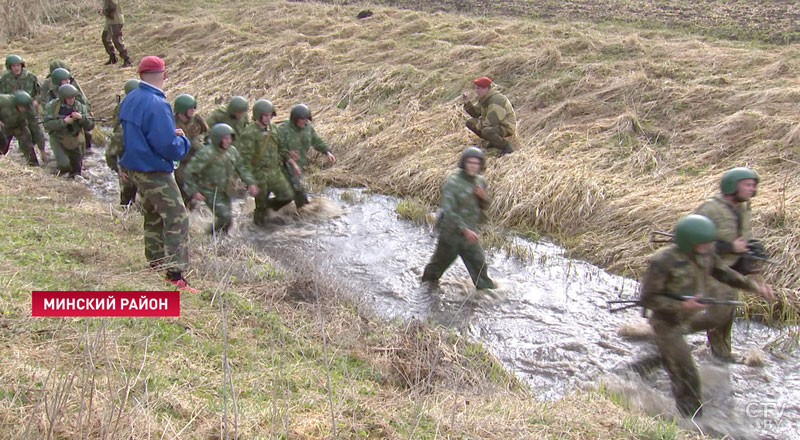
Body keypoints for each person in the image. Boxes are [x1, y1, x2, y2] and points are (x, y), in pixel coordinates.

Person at [639, 214, 774, 417]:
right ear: (689, 243)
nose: (708, 247)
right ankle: (691, 421)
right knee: (687, 373)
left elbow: (725, 274)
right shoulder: (663, 261)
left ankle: (637, 372)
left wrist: (755, 287)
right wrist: (682, 304)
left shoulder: (706, 254)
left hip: (687, 318)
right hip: (665, 323)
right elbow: (648, 299)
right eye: (704, 243)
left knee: (671, 358)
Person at [118, 56, 194, 291]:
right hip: (153, 170)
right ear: (165, 75)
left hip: (134, 168)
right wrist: (182, 141)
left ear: (140, 75)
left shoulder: (130, 98)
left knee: (152, 215)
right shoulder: (157, 103)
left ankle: (154, 263)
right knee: (177, 217)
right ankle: (174, 275)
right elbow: (167, 146)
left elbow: (137, 134)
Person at [692, 167, 762, 362]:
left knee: (729, 311)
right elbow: (689, 239)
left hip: (731, 269)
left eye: (753, 185)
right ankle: (669, 330)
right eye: (747, 185)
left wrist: (750, 247)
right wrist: (729, 246)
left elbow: (742, 235)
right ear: (732, 186)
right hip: (710, 268)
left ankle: (720, 352)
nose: (752, 189)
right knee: (718, 312)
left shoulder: (744, 208)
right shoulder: (710, 209)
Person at [422, 146, 495, 289]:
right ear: (464, 163)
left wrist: (483, 196)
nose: (473, 166)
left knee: (479, 264)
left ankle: (487, 295)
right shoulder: (453, 182)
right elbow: (449, 210)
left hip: (470, 234)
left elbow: (485, 205)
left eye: (476, 163)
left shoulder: (480, 181)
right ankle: (425, 290)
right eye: (470, 163)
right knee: (437, 266)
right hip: (450, 233)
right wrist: (465, 230)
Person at [183, 123, 259, 234]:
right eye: (225, 138)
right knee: (225, 216)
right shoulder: (206, 153)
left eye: (229, 138)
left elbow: (241, 168)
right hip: (208, 190)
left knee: (228, 219)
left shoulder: (232, 151)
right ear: (218, 139)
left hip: (224, 190)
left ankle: (219, 237)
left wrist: (251, 183)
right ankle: (209, 237)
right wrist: (193, 191)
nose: (228, 141)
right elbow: (189, 171)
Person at [238, 99, 296, 225]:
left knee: (288, 196)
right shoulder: (249, 134)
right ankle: (258, 234)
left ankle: (267, 209)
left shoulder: (273, 129)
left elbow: (280, 148)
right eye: (265, 115)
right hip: (259, 175)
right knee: (260, 209)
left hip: (275, 172)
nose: (268, 118)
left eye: (270, 115)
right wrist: (250, 183)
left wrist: (291, 160)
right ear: (258, 115)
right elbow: (244, 162)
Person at [277, 103, 335, 209]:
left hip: (300, 165)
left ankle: (299, 211)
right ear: (295, 119)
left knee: (295, 191)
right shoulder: (284, 129)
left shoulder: (307, 128)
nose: (305, 121)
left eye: (306, 119)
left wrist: (327, 151)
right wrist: (289, 156)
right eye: (302, 119)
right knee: (294, 192)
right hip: (284, 165)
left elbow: (316, 140)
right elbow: (276, 147)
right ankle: (271, 209)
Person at [42, 84, 94, 177]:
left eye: (73, 97)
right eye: (68, 98)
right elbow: (46, 125)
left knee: (77, 169)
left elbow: (90, 126)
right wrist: (64, 122)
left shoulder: (80, 107)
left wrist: (81, 118)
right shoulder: (52, 106)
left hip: (74, 138)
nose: (71, 100)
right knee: (64, 165)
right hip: (57, 138)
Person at [38, 62, 94, 149]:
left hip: (74, 109)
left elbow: (82, 98)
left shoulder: (71, 83)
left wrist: (87, 111)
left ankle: (85, 149)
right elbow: (43, 101)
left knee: (86, 132)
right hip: (56, 111)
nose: (67, 81)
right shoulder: (47, 84)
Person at [0, 54, 46, 158]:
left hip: (27, 108)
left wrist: (36, 101)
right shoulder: (4, 79)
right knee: (3, 141)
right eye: (13, 66)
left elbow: (40, 92)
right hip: (8, 111)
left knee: (30, 134)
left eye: (18, 65)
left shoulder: (30, 77)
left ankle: (34, 159)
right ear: (9, 67)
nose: (16, 68)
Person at [461, 76, 516, 156]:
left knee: (486, 131)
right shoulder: (485, 98)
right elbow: (476, 113)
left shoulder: (496, 100)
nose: (476, 91)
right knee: (470, 123)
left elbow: (491, 121)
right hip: (496, 125)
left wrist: (479, 125)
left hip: (506, 126)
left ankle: (506, 147)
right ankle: (493, 141)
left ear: (486, 88)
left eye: (478, 88)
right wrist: (467, 103)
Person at [105, 78, 140, 206]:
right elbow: (111, 152)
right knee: (127, 196)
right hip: (127, 159)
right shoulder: (123, 113)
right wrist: (119, 170)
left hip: (142, 162)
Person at [173, 93, 209, 205]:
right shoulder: (172, 122)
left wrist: (200, 142)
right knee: (182, 180)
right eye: (191, 108)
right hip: (181, 161)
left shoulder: (197, 120)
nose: (193, 110)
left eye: (194, 108)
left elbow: (207, 133)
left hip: (196, 157)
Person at [0, 91, 44, 165]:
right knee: (2, 146)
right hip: (3, 126)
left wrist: (42, 149)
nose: (23, 109)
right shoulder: (4, 101)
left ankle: (33, 163)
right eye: (22, 106)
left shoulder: (30, 110)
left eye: (25, 106)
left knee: (27, 142)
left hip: (19, 126)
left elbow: (35, 127)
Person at [98, 0, 132, 67]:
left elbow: (112, 7)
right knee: (105, 38)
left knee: (117, 40)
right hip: (110, 21)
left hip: (116, 21)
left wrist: (103, 12)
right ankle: (113, 58)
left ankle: (127, 60)